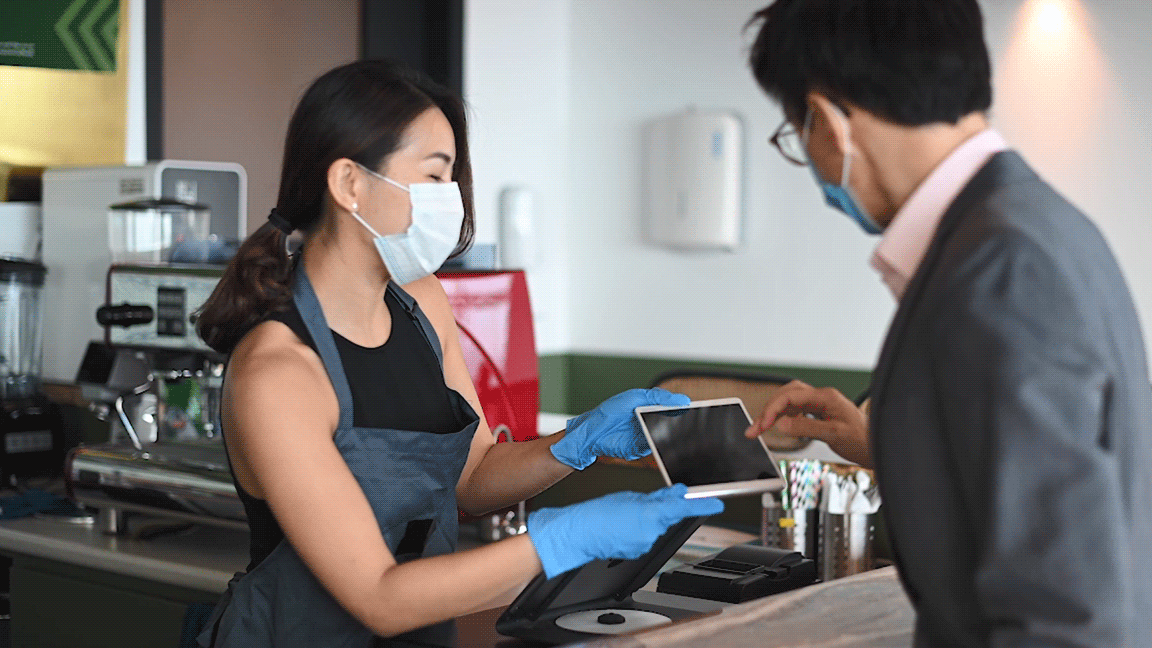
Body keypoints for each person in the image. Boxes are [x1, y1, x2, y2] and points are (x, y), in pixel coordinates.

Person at [192, 59, 722, 647]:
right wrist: (563, 541)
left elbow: (469, 477)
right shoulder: (279, 370)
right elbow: (379, 597)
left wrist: (575, 444)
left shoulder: (422, 305)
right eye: (435, 176)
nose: (452, 200)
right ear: (349, 184)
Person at [741, 1, 1152, 646]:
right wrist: (883, 443)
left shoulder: (1001, 270)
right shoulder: (1034, 226)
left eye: (797, 136)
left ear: (826, 124)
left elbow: (1059, 615)